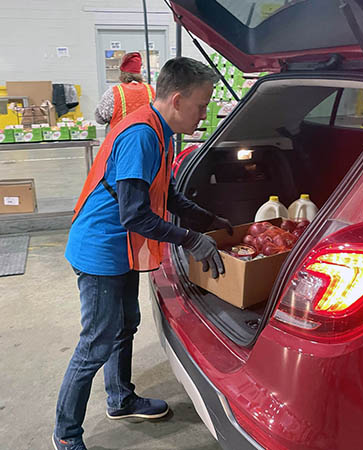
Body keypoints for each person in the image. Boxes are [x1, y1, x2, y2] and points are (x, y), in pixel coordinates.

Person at [53, 57, 233, 450]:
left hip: (122, 248)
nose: (205, 114)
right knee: (95, 343)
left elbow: (164, 193)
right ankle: (66, 434)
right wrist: (190, 239)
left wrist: (208, 219)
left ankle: (120, 398)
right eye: (202, 106)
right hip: (101, 248)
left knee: (125, 325)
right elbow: (134, 214)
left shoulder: (160, 131)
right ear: (179, 99)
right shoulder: (141, 135)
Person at [95, 52, 156, 130]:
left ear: (122, 73)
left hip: (120, 139)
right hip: (145, 139)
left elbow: (100, 119)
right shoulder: (151, 91)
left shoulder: (113, 93)